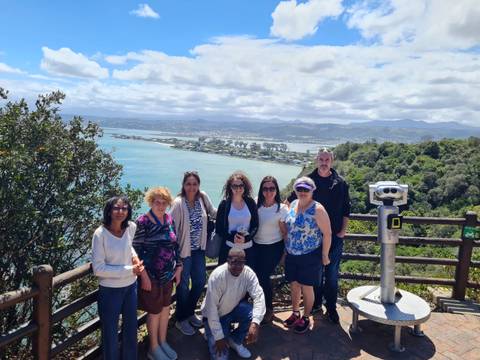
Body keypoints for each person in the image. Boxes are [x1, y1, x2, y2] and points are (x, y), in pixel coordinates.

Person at [287, 148, 350, 324]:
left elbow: (346, 209)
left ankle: (331, 308)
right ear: (317, 160)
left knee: (331, 274)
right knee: (312, 276)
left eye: (327, 159)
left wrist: (342, 231)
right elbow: (290, 201)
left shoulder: (340, 183)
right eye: (321, 159)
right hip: (312, 240)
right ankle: (314, 306)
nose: (324, 162)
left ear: (332, 161)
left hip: (334, 237)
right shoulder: (307, 181)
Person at [92, 196, 144, 360]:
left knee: (131, 329)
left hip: (131, 287)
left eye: (124, 208)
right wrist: (131, 269)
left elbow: (128, 248)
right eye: (116, 208)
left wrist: (134, 257)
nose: (120, 212)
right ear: (109, 210)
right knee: (110, 334)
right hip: (110, 290)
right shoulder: (100, 235)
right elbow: (98, 269)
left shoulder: (131, 227)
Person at [133, 187, 182, 360]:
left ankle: (162, 342)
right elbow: (135, 252)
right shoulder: (143, 222)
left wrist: (179, 267)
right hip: (151, 276)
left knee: (165, 309)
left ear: (168, 204)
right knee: (154, 312)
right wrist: (144, 276)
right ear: (151, 202)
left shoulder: (169, 220)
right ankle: (153, 348)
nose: (160, 206)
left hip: (168, 275)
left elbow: (175, 246)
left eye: (164, 203)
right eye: (157, 202)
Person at [170, 171, 217, 336]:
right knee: (182, 286)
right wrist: (176, 257)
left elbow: (214, 213)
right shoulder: (178, 203)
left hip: (199, 250)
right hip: (183, 252)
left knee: (199, 282)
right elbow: (171, 229)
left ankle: (188, 312)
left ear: (199, 185)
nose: (192, 187)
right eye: (188, 184)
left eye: (194, 184)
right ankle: (181, 319)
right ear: (183, 185)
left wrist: (233, 207)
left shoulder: (202, 198)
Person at [283, 177, 331, 334]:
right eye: (299, 189)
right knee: (294, 285)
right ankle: (295, 312)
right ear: (295, 190)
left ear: (312, 191)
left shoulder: (318, 209)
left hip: (310, 255)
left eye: (306, 189)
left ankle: (306, 316)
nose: (302, 192)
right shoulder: (294, 204)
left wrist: (325, 254)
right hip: (292, 253)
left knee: (307, 287)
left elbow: (327, 233)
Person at [201, 248, 265, 360]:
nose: (238, 266)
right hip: (215, 316)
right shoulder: (218, 276)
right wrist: (219, 337)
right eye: (234, 262)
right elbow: (211, 309)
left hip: (233, 309)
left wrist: (255, 323)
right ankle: (212, 333)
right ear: (228, 261)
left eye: (241, 263)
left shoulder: (248, 274)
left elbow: (259, 297)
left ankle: (235, 341)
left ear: (245, 262)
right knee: (221, 357)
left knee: (253, 314)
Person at [253, 176, 288, 323]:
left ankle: (269, 309)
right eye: (265, 188)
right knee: (254, 277)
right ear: (261, 190)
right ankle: (258, 307)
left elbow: (285, 233)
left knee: (262, 277)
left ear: (276, 190)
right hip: (255, 246)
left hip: (273, 248)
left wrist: (285, 254)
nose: (268, 192)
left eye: (272, 188)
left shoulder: (282, 209)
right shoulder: (255, 204)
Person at [216, 171, 259, 267]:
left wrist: (246, 238)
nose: (238, 189)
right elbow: (219, 228)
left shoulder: (250, 203)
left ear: (245, 187)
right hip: (229, 249)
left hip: (248, 249)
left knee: (246, 279)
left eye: (241, 186)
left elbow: (255, 225)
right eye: (235, 186)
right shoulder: (224, 205)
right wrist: (232, 238)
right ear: (230, 187)